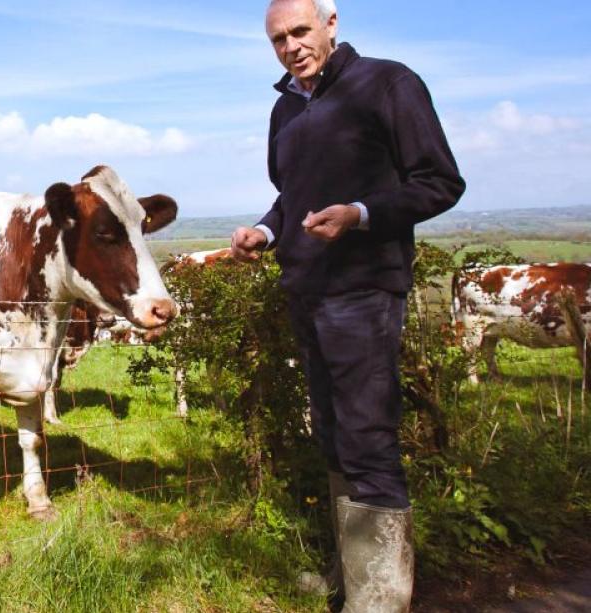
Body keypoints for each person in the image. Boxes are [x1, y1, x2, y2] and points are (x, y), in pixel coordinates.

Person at [230, 0, 465, 610]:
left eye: (300, 31)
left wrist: (360, 215)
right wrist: (266, 230)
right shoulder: (285, 106)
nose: (291, 46)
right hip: (305, 291)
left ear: (331, 24)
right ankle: (354, 578)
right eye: (278, 38)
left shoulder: (388, 82)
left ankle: (382, 598)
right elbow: (290, 198)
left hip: (364, 289)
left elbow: (440, 181)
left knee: (366, 437)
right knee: (333, 436)